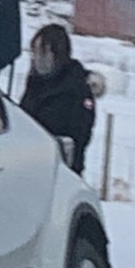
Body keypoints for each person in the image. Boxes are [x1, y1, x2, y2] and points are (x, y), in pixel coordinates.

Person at [20, 22, 96, 175]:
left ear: (58, 54)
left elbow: (79, 137)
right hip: (27, 164)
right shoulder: (35, 82)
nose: (36, 58)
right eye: (34, 52)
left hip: (59, 171)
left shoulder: (76, 88)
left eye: (43, 52)